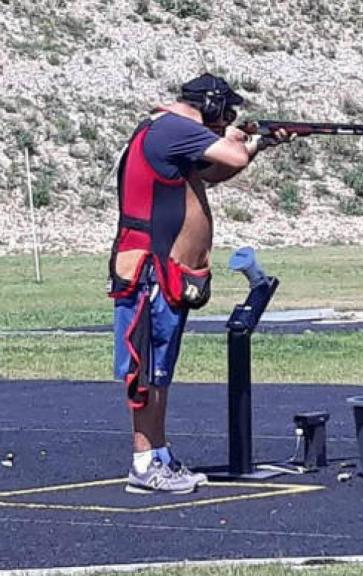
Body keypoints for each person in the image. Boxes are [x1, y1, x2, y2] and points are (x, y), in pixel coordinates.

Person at [107, 73, 290, 494]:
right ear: (209, 105)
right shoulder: (172, 128)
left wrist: (259, 142)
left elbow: (213, 172)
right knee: (144, 369)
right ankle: (143, 461)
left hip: (165, 270)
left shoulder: (173, 132)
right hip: (148, 269)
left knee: (160, 369)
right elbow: (233, 157)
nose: (228, 117)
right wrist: (242, 141)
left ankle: (159, 454)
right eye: (224, 111)